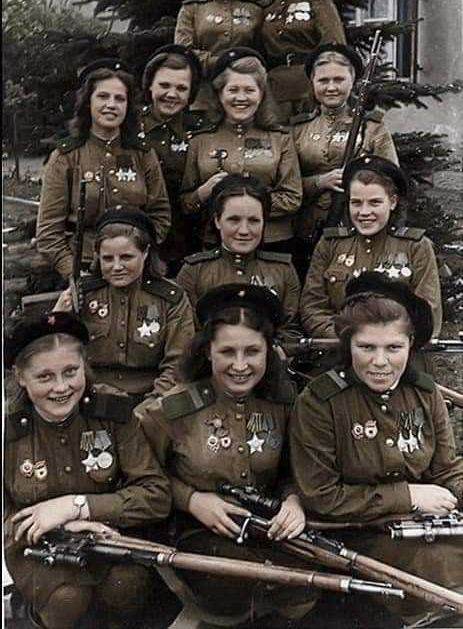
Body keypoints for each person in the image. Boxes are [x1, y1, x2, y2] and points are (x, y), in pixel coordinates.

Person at [136, 284, 319, 623]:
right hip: (194, 530)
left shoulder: (284, 403)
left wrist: (294, 501)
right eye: (227, 352)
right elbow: (139, 476)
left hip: (265, 526)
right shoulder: (172, 410)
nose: (240, 365)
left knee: (303, 585)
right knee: (237, 586)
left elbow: (295, 471)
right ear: (207, 351)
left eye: (252, 351)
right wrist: (191, 500)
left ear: (269, 351)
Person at [291, 272, 463, 626]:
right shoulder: (321, 402)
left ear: (411, 345)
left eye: (394, 348)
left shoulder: (425, 392)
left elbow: (447, 469)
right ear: (347, 344)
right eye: (366, 348)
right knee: (441, 571)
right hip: (356, 533)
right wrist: (408, 496)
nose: (381, 362)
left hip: (423, 527)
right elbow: (321, 496)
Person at [4, 311, 171, 629]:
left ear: (85, 366)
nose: (61, 387)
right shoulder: (8, 430)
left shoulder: (113, 412)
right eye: (44, 377)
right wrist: (62, 527)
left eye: (71, 372)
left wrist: (77, 508)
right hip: (36, 547)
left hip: (107, 536)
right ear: (20, 376)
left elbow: (156, 494)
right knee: (67, 598)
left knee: (129, 583)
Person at [36, 60, 171, 279]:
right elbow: (48, 233)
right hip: (84, 268)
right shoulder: (65, 157)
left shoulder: (143, 154)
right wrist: (74, 273)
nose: (112, 104)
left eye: (120, 99)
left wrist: (138, 257)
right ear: (88, 102)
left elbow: (160, 215)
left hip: (138, 269)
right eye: (103, 96)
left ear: (128, 106)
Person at [53, 207, 195, 398]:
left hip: (152, 400)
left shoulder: (170, 299)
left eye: (127, 257)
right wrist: (59, 316)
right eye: (108, 259)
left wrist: (152, 404)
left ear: (145, 253)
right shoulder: (83, 295)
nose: (117, 267)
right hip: (90, 395)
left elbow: (178, 364)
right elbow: (60, 355)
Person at [300, 156, 442, 340]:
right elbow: (312, 306)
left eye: (375, 202)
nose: (364, 212)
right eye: (356, 203)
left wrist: (381, 341)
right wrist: (346, 338)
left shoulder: (416, 247)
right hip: (339, 349)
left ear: (392, 202)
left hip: (397, 355)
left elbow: (427, 312)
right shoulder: (330, 244)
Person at [180, 47, 302, 253]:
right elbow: (185, 203)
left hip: (273, 244)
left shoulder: (280, 139)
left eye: (249, 90)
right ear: (220, 94)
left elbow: (293, 197)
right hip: (215, 244)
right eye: (233, 90)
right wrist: (203, 192)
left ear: (261, 95)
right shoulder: (199, 141)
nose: (241, 98)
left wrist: (250, 203)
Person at [292, 43, 399, 274]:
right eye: (323, 81)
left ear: (352, 81)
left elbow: (392, 182)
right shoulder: (298, 129)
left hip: (358, 227)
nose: (331, 87)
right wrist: (319, 182)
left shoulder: (372, 127)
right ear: (312, 82)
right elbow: (286, 185)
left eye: (339, 80)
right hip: (307, 231)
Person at [177, 174, 302, 350]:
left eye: (254, 221)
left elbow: (290, 332)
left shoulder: (283, 271)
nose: (244, 230)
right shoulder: (194, 271)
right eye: (234, 220)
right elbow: (187, 336)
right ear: (217, 221)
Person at [260, 0, 346, 121]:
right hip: (274, 92)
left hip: (309, 88)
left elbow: (334, 47)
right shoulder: (263, 8)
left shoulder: (317, 1)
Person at [175, 0, 263, 113]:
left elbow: (262, 53)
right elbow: (184, 53)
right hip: (204, 96)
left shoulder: (254, 10)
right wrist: (223, 62)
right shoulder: (191, 9)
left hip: (244, 95)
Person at [140, 44, 204, 274]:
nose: (171, 94)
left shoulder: (201, 131)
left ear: (190, 93)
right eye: (164, 85)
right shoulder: (129, 127)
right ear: (149, 85)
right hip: (143, 235)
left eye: (181, 88)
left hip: (189, 234)